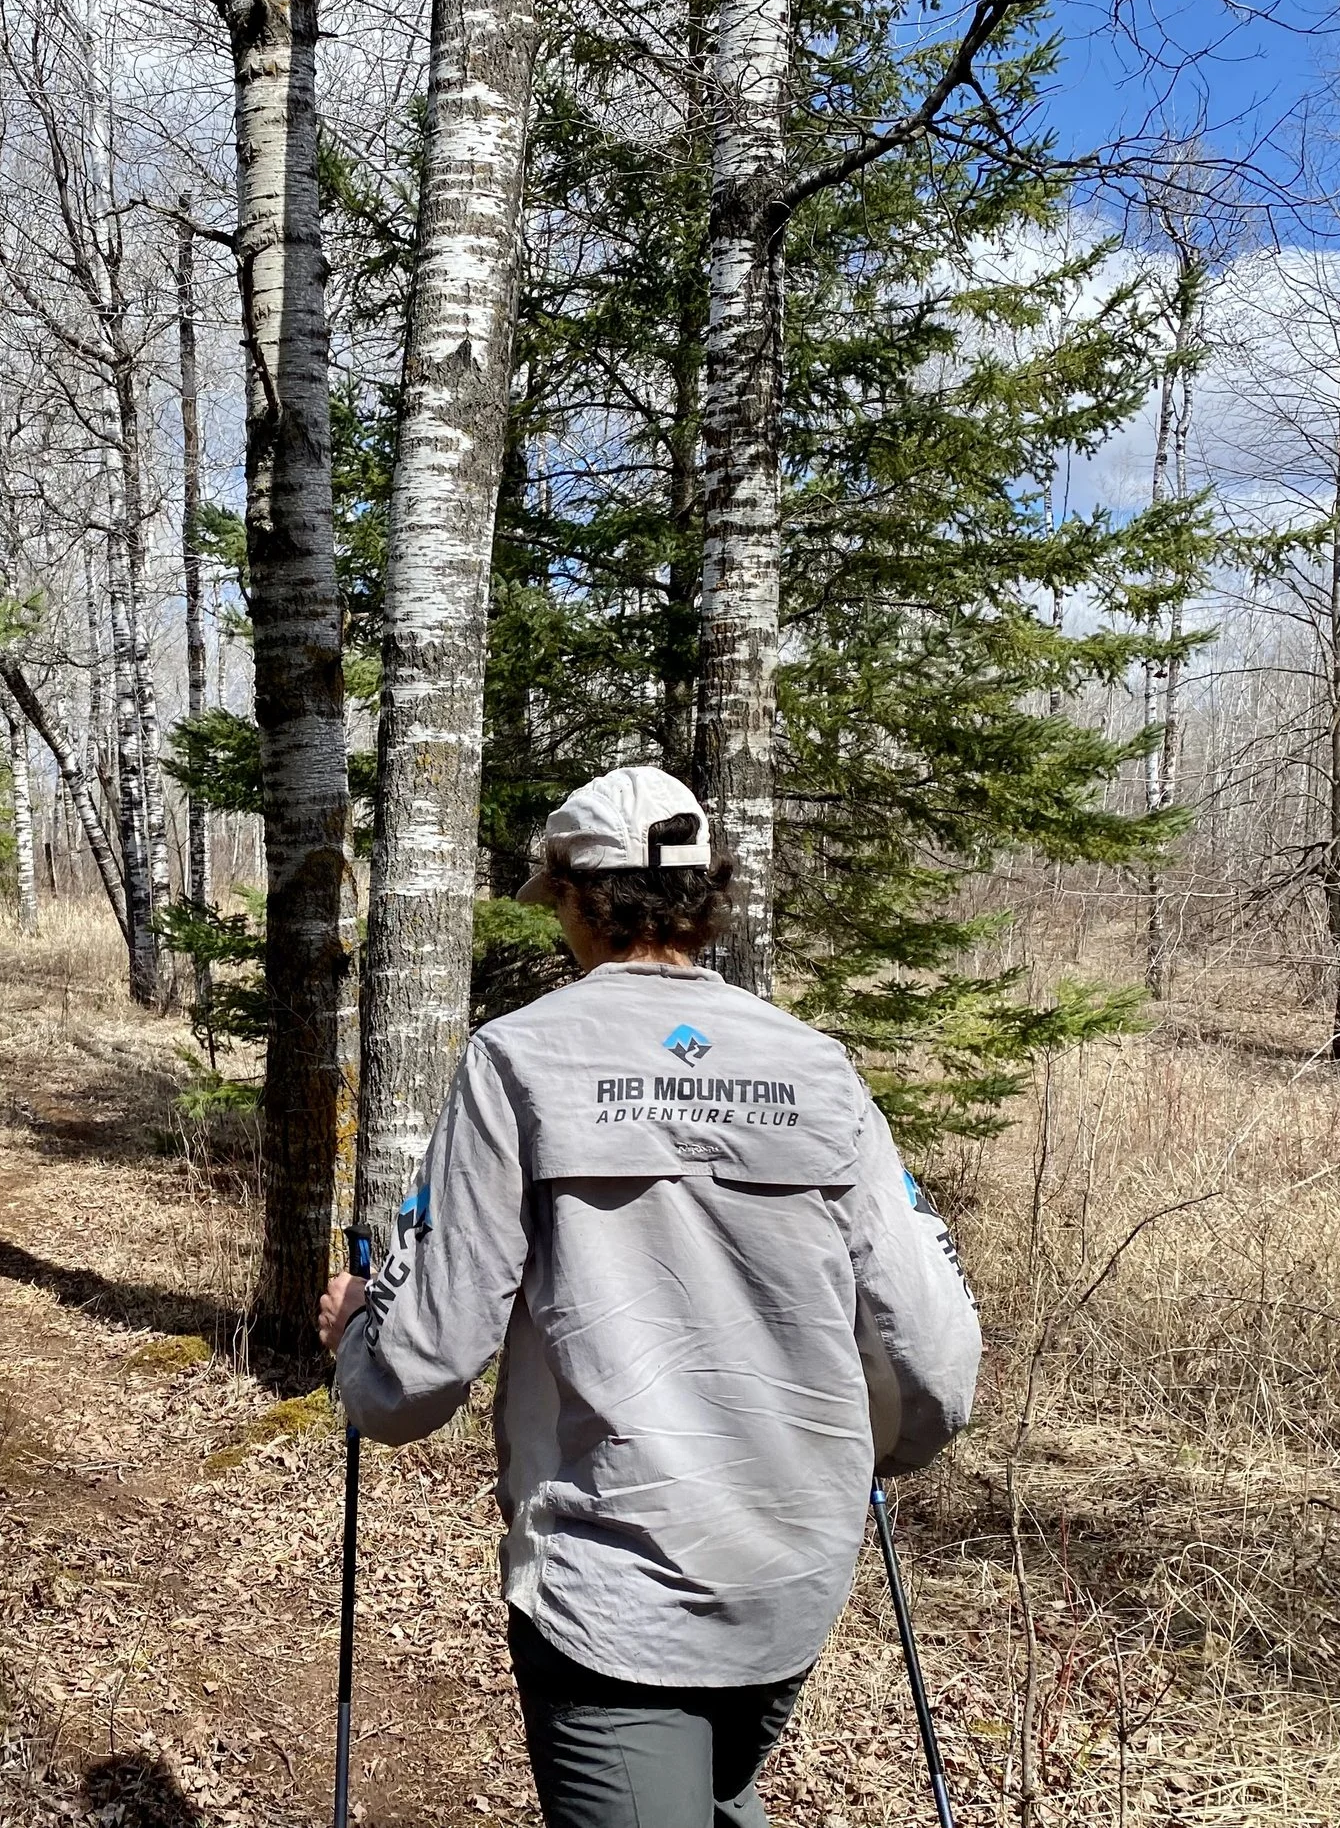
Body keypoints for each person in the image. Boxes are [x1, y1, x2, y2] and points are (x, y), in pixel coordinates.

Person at [318, 764, 980, 1828]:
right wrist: (867, 1454)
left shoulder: (518, 1060)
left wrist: (359, 1339)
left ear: (578, 896)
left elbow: (417, 1370)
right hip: (791, 1575)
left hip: (614, 1588)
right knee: (719, 1796)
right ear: (701, 896)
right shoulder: (816, 1066)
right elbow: (934, 1358)